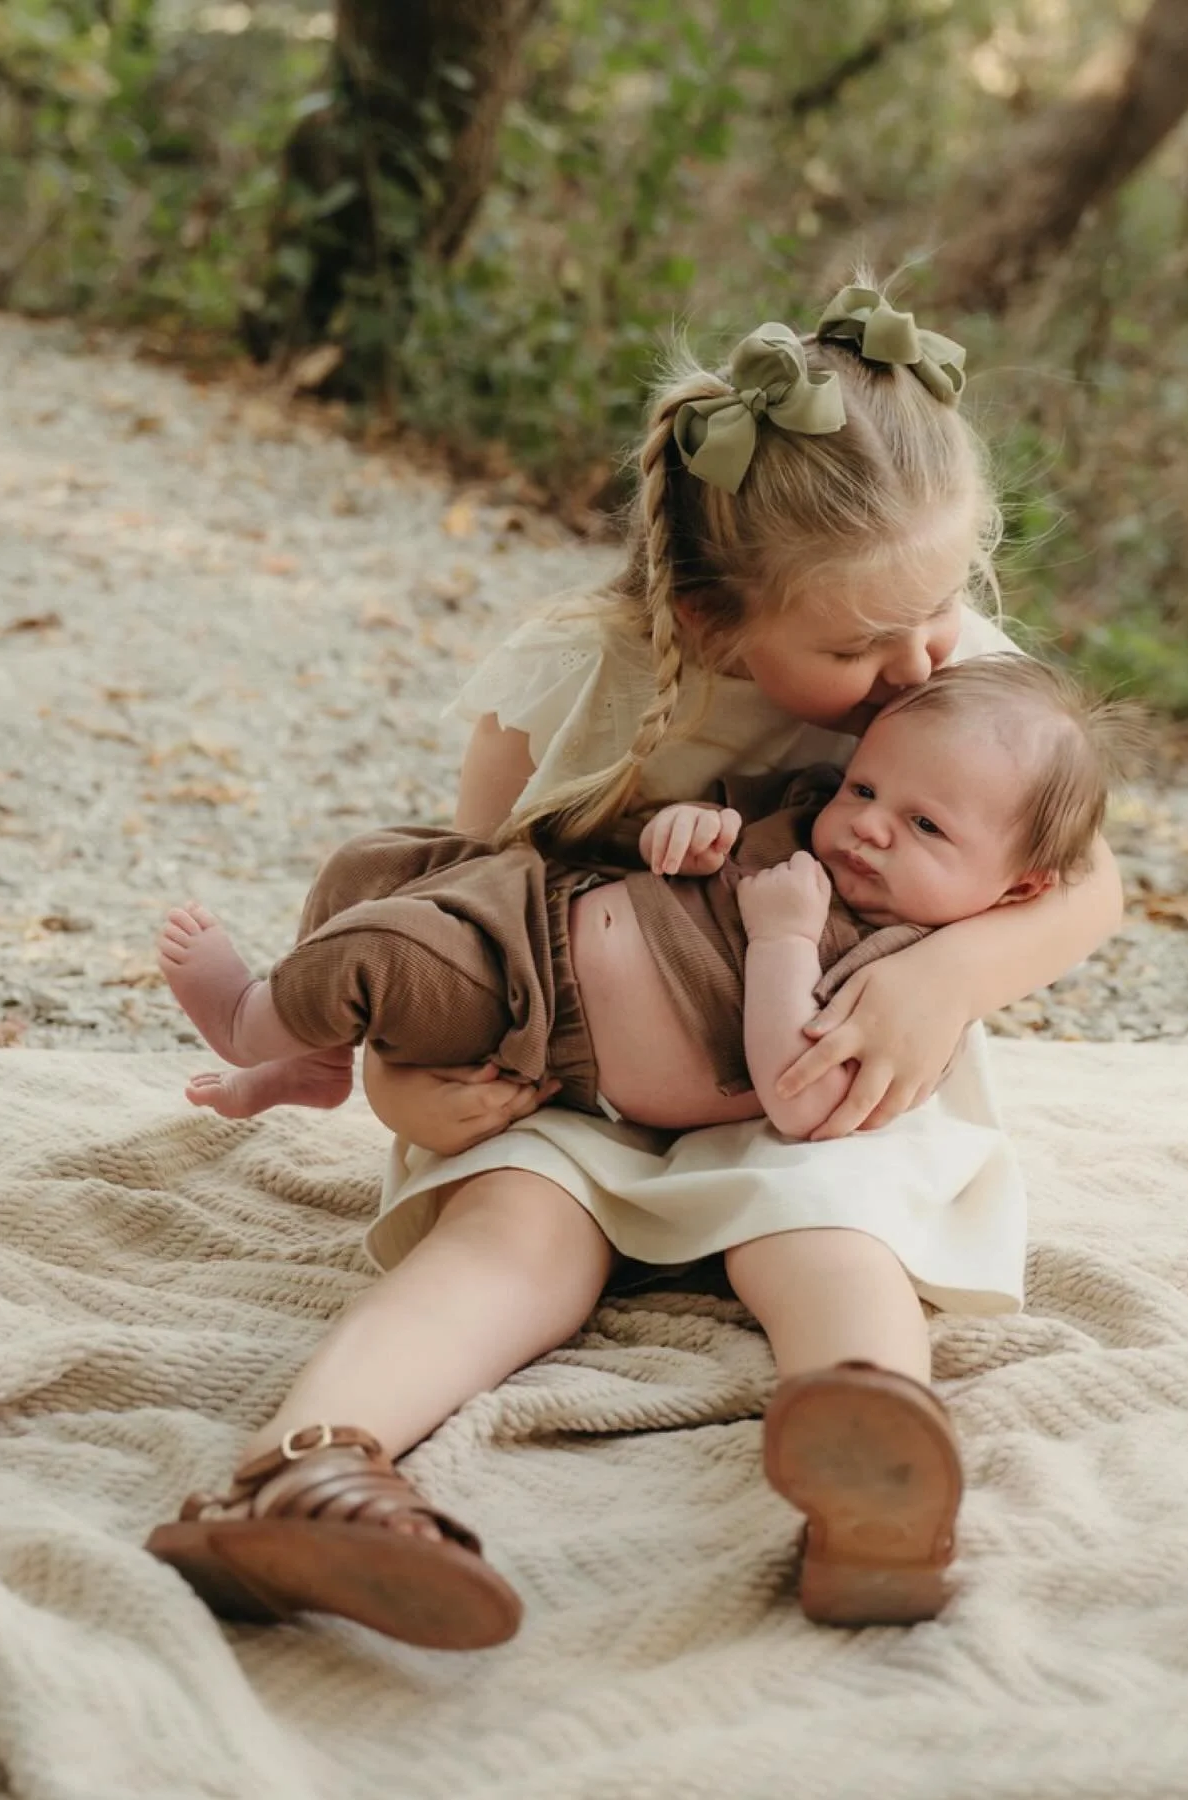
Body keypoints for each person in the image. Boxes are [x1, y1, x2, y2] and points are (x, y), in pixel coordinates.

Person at [145, 281, 1125, 1648]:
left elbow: (1085, 889)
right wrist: (406, 1090)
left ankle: (877, 1476)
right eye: (857, 646)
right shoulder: (578, 680)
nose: (916, 666)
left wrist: (944, 981)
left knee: (831, 1226)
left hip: (820, 1071)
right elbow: (467, 909)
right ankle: (306, 1468)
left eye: (941, 608)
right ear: (717, 620)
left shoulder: (952, 669)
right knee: (511, 1239)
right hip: (566, 1074)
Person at [159, 657, 1116, 1142]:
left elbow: (802, 1101)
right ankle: (311, 1059)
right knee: (369, 865)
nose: (868, 825)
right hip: (536, 900)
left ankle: (249, 1020)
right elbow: (700, 835)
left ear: (1019, 886)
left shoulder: (905, 973)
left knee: (383, 956)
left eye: (926, 827)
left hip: (536, 1011)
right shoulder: (809, 813)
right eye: (867, 788)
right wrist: (693, 829)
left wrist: (784, 941)